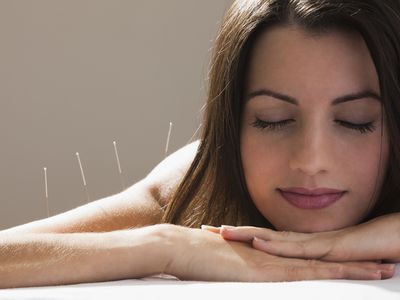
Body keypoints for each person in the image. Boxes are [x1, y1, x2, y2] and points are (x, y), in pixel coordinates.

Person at [1, 0, 400, 288]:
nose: (311, 161)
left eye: (355, 122)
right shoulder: (198, 181)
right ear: (231, 124)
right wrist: (163, 245)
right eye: (272, 120)